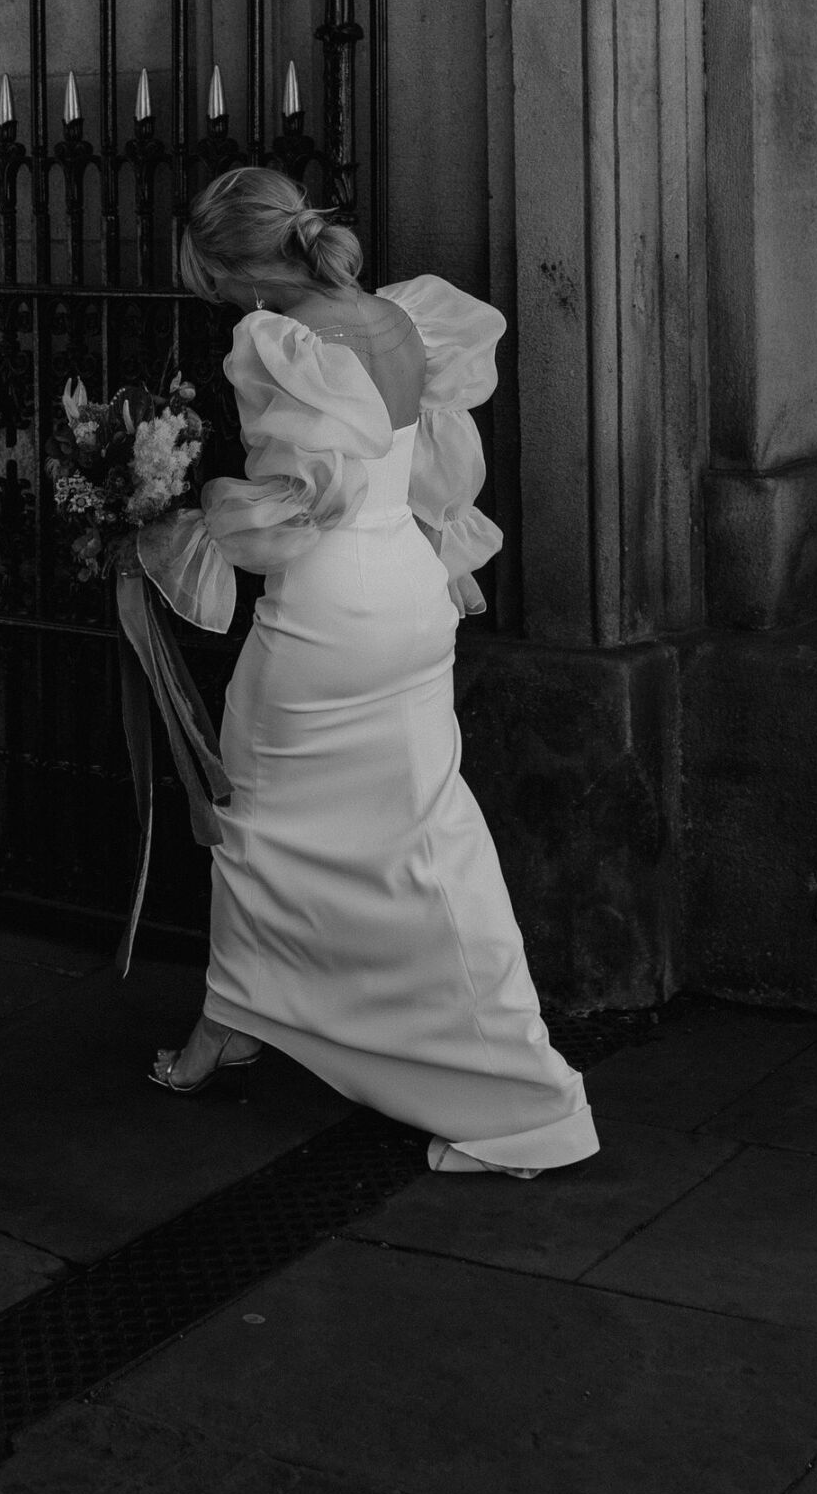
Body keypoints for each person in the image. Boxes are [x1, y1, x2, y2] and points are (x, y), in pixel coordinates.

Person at [139, 165, 597, 1178]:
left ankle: (232, 1026)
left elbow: (283, 508)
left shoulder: (273, 341)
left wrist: (187, 504)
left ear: (230, 266)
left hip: (327, 613)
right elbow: (408, 468)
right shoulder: (401, 317)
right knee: (426, 831)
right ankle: (512, 1079)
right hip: (411, 594)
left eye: (204, 272)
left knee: (253, 821)